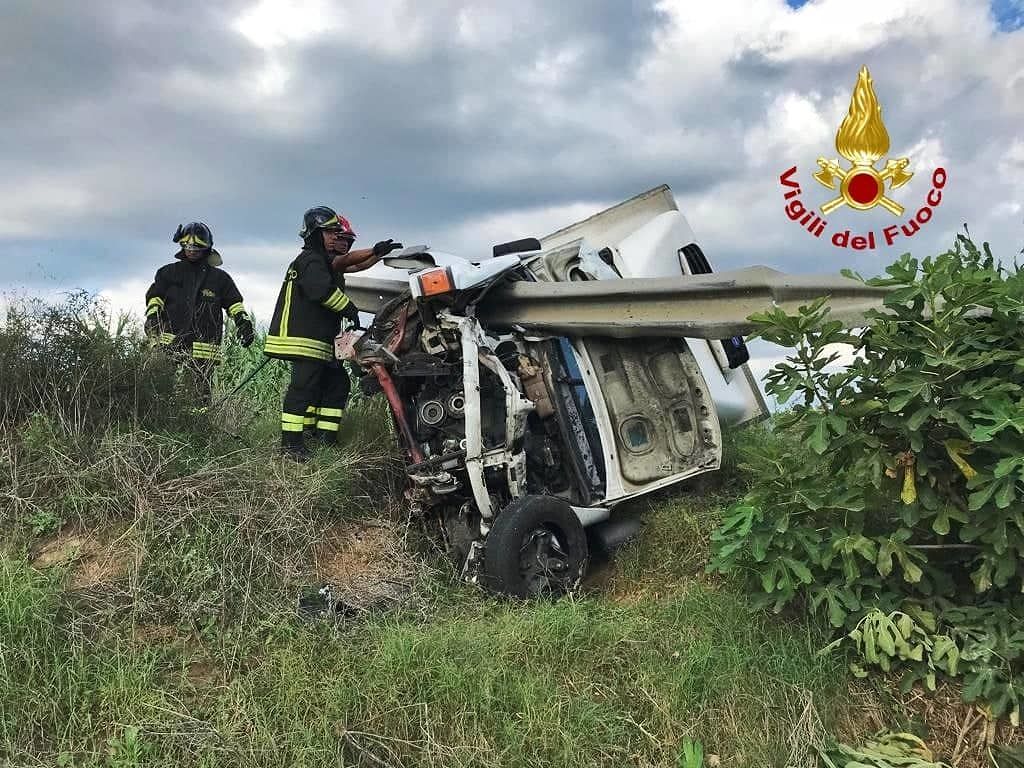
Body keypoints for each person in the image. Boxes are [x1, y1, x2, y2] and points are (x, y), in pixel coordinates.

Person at [264, 206, 402, 461]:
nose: (335, 238)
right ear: (315, 234)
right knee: (302, 388)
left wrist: (376, 253)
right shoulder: (310, 260)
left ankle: (323, 439)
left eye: (337, 234)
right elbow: (322, 291)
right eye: (329, 233)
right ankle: (291, 446)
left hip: (316, 338)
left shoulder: (322, 260)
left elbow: (348, 264)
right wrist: (350, 309)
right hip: (303, 338)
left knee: (336, 384)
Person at [144, 222, 255, 403]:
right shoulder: (168, 273)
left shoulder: (220, 279)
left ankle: (200, 429)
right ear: (182, 246)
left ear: (206, 248)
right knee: (164, 391)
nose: (192, 250)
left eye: (196, 246)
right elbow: (154, 298)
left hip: (204, 349)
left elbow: (234, 304)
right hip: (170, 343)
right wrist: (153, 318)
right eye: (188, 246)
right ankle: (166, 425)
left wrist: (244, 323)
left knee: (200, 396)